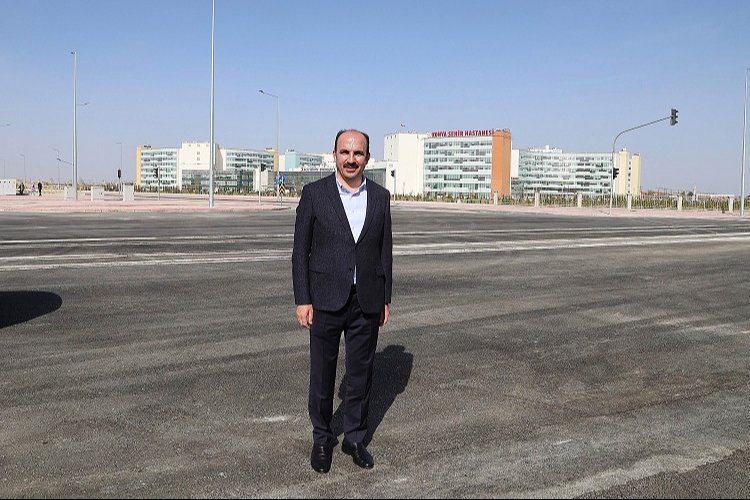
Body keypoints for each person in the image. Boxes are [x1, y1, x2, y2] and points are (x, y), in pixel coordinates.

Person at [292, 129, 393, 474]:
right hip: (324, 298)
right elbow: (300, 252)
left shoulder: (380, 197)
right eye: (345, 152)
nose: (351, 159)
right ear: (334, 154)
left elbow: (384, 251)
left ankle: (355, 438)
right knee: (323, 374)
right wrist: (303, 298)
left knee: (361, 373)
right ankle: (322, 438)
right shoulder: (314, 194)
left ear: (368, 158)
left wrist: (385, 297)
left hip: (366, 298)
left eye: (358, 153)